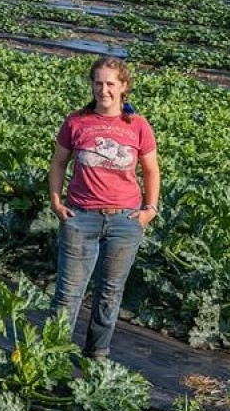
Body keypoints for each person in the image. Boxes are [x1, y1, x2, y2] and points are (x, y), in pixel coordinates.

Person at [48, 57, 160, 361]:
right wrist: (56, 202)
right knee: (68, 294)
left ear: (123, 87)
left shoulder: (137, 125)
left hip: (124, 220)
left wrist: (149, 209)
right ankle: (51, 357)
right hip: (80, 217)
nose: (104, 90)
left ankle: (96, 356)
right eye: (98, 83)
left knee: (109, 295)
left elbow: (151, 170)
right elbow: (58, 163)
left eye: (110, 83)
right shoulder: (76, 122)